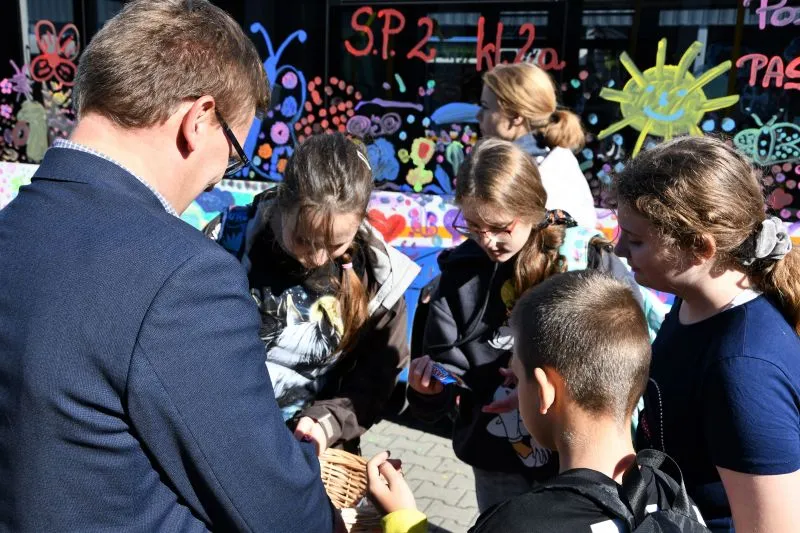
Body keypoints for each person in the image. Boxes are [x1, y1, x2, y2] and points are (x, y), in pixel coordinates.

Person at [0, 1, 337, 531]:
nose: (219, 178)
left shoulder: (11, 228)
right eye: (234, 153)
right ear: (198, 120)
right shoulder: (183, 276)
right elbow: (280, 513)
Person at [406, 138, 664, 513]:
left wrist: (546, 389)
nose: (488, 241)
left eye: (500, 227)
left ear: (531, 208)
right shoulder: (459, 274)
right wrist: (431, 390)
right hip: (497, 457)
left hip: (582, 455)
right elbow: (447, 366)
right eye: (473, 226)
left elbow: (625, 355)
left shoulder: (584, 259)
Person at [373, 271, 704, 533]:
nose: (516, 391)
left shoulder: (516, 524)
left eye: (518, 379)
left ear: (545, 392)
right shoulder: (673, 492)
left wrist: (404, 521)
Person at [614, 136, 800, 532]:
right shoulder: (693, 301)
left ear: (700, 248)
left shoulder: (743, 371)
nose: (618, 250)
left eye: (635, 240)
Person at [204, 132, 419, 455]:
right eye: (303, 239)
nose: (317, 258)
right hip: (217, 437)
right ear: (283, 204)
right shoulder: (227, 241)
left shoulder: (379, 276)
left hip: (306, 449)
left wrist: (327, 422)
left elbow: (375, 377)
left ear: (360, 221)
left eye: (335, 244)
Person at [477, 62, 597, 229]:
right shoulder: (554, 159)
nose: (478, 115)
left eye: (485, 107)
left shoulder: (526, 171)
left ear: (516, 116)